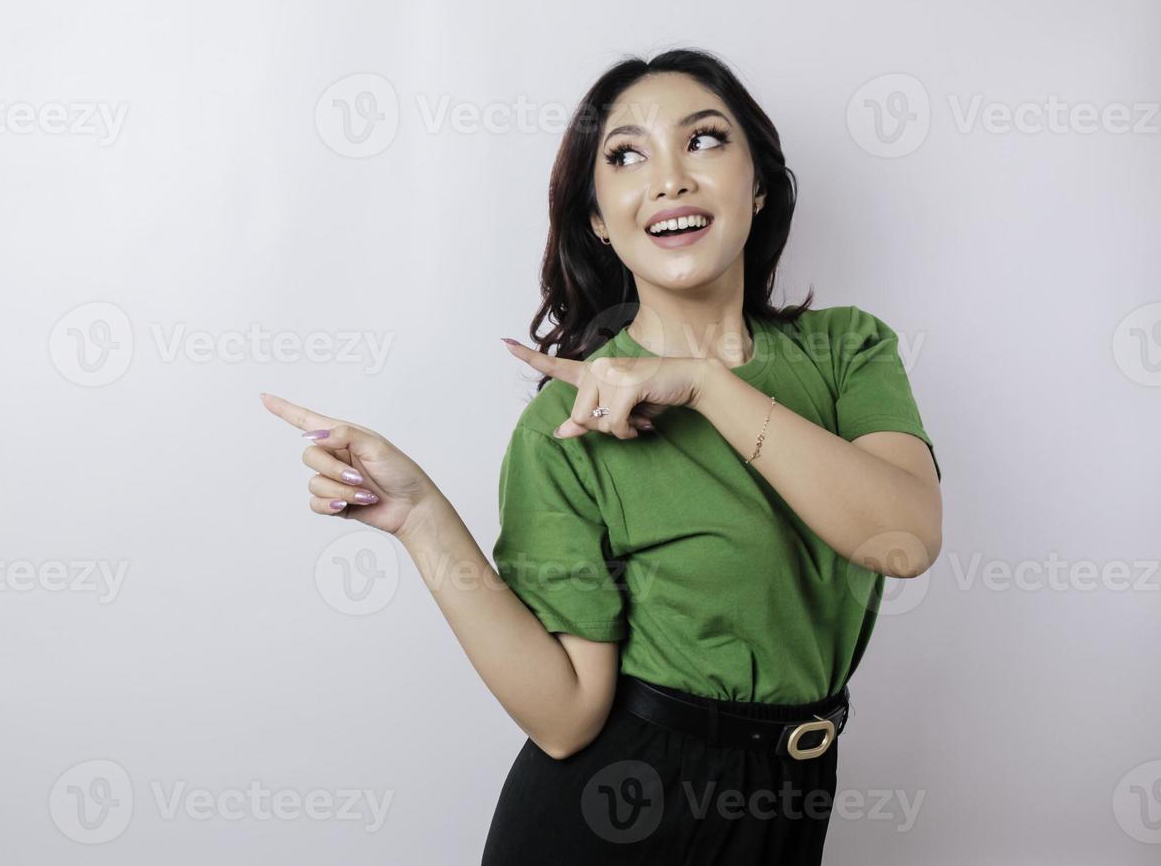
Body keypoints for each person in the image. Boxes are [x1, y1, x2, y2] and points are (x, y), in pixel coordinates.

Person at [260, 47, 942, 864]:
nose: (670, 180)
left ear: (759, 185)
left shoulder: (847, 351)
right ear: (597, 216)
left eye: (706, 141)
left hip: (792, 802)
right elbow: (566, 717)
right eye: (626, 156)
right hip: (620, 811)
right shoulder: (568, 424)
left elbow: (902, 539)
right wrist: (420, 521)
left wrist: (704, 385)